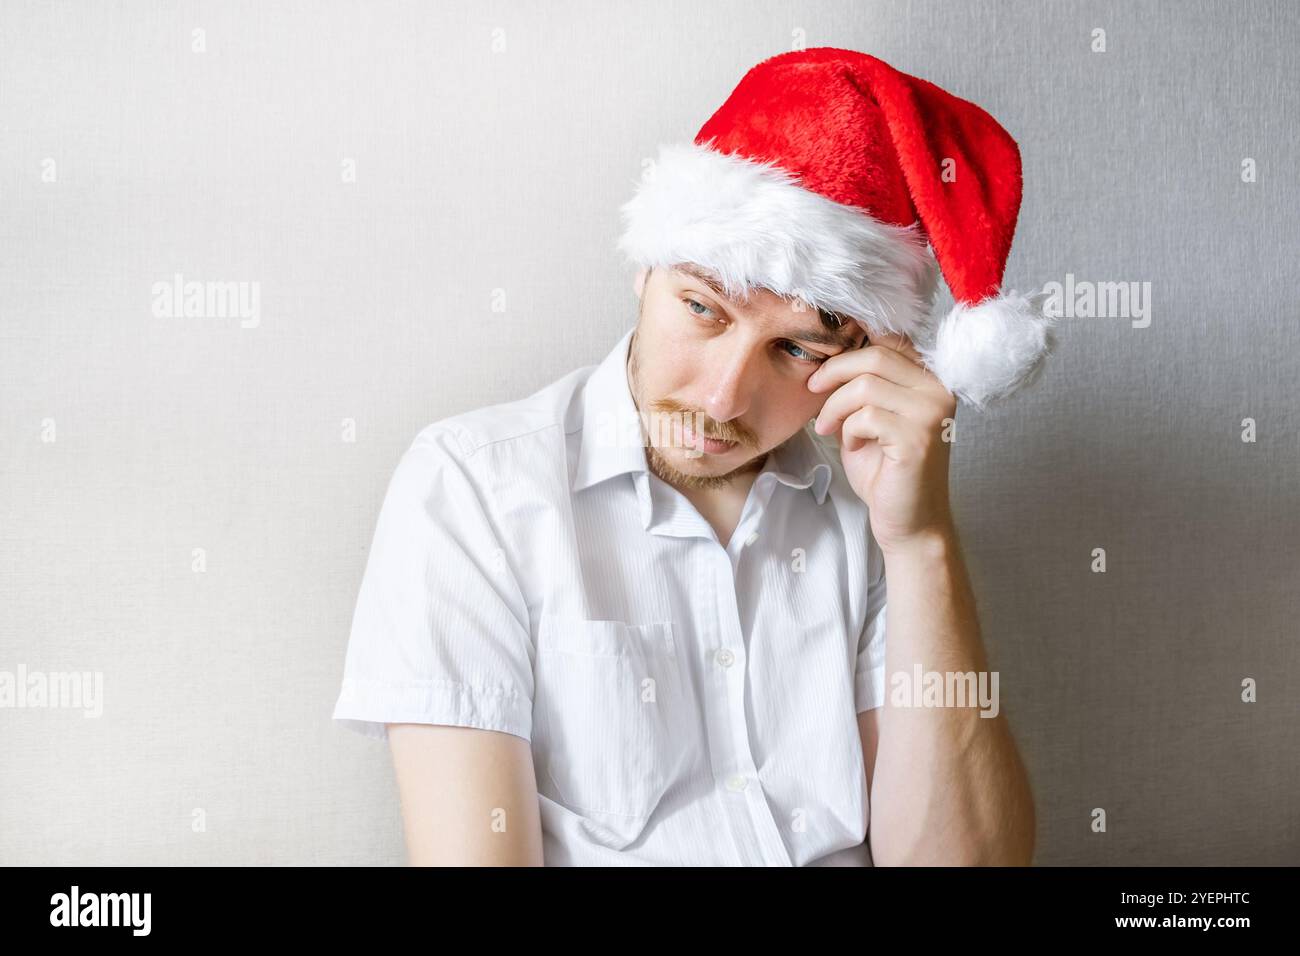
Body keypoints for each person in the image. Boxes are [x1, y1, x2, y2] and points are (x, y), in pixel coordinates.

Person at [332, 47, 1054, 865]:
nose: (721, 399)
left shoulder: (869, 529)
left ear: (865, 356)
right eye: (704, 308)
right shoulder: (474, 489)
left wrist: (922, 542)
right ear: (646, 267)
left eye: (797, 353)